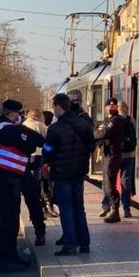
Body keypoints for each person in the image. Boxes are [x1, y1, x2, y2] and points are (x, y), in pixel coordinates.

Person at [0, 99, 44, 273]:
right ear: (14, 114)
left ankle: (12, 256)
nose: (20, 117)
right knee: (9, 222)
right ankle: (6, 260)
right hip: (9, 180)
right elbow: (30, 146)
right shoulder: (13, 130)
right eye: (19, 114)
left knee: (7, 218)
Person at [44, 93, 95, 256]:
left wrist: (47, 159)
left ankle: (70, 245)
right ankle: (84, 243)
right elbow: (92, 146)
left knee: (66, 209)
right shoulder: (84, 124)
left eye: (54, 107)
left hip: (62, 173)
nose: (53, 110)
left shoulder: (55, 128)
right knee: (79, 207)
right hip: (79, 172)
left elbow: (48, 150)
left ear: (59, 107)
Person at [21, 108, 48, 245]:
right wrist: (48, 158)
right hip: (39, 157)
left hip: (23, 162)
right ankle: (40, 233)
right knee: (34, 196)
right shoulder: (41, 126)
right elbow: (47, 144)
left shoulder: (23, 126)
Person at [96, 98, 125, 223]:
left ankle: (115, 210)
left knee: (109, 184)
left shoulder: (116, 120)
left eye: (114, 105)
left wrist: (95, 133)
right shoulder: (107, 120)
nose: (112, 107)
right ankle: (111, 208)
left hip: (113, 155)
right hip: (107, 154)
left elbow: (103, 133)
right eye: (109, 105)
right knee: (107, 184)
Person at [118, 102, 137, 218]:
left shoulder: (114, 120)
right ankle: (126, 208)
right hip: (130, 154)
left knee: (110, 181)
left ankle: (110, 206)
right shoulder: (132, 120)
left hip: (118, 155)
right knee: (126, 180)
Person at [41, 110, 58, 218]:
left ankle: (46, 207)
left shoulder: (46, 130)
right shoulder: (50, 130)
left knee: (44, 185)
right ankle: (49, 206)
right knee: (48, 186)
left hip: (43, 161)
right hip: (49, 162)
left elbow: (47, 147)